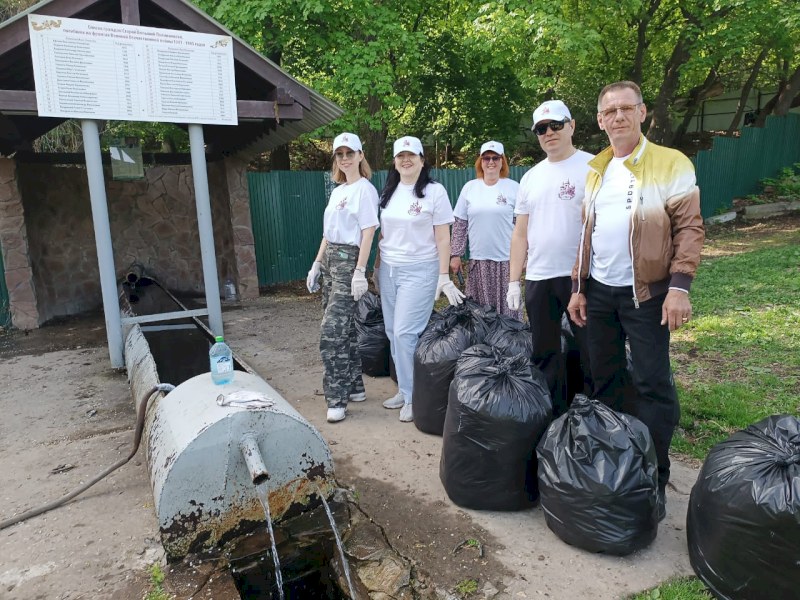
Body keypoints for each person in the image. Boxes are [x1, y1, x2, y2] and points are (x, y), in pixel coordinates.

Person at [566, 81, 704, 521]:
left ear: (643, 114)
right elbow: (586, 236)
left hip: (647, 295)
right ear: (601, 120)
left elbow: (690, 228)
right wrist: (578, 288)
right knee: (604, 379)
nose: (618, 117)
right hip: (600, 294)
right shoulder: (596, 169)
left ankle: (654, 477)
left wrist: (679, 287)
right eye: (610, 111)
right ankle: (615, 469)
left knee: (651, 384)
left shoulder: (669, 163)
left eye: (627, 108)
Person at [507, 100, 594, 415]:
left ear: (571, 126)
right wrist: (514, 281)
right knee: (545, 353)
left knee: (589, 351)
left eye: (556, 125)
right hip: (540, 277)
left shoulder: (594, 167)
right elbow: (520, 233)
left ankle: (590, 419)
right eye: (542, 129)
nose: (549, 133)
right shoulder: (530, 177)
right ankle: (551, 418)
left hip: (582, 279)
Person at [372, 135, 464, 423]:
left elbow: (442, 236)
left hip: (420, 269)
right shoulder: (388, 191)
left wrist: (443, 275)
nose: (406, 159)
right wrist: (375, 269)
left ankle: (413, 397)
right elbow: (384, 235)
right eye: (400, 155)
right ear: (395, 161)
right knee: (392, 332)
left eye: (411, 155)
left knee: (404, 333)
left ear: (423, 160)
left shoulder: (434, 192)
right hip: (388, 269)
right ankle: (404, 387)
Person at [306, 133, 379, 423]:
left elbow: (368, 231)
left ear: (361, 156)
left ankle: (336, 398)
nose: (345, 158)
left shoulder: (365, 190)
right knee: (345, 329)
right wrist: (316, 263)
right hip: (330, 260)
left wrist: (360, 271)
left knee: (331, 332)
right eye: (340, 154)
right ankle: (354, 386)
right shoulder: (338, 191)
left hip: (350, 261)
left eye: (351, 153)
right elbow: (327, 233)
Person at [450, 141, 521, 318]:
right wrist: (456, 254)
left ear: (502, 161)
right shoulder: (470, 188)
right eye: (486, 158)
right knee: (479, 315)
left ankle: (507, 345)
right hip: (478, 261)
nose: (491, 162)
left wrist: (525, 255)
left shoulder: (513, 188)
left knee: (508, 314)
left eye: (495, 158)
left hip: (506, 261)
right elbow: (460, 224)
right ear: (480, 162)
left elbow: (521, 226)